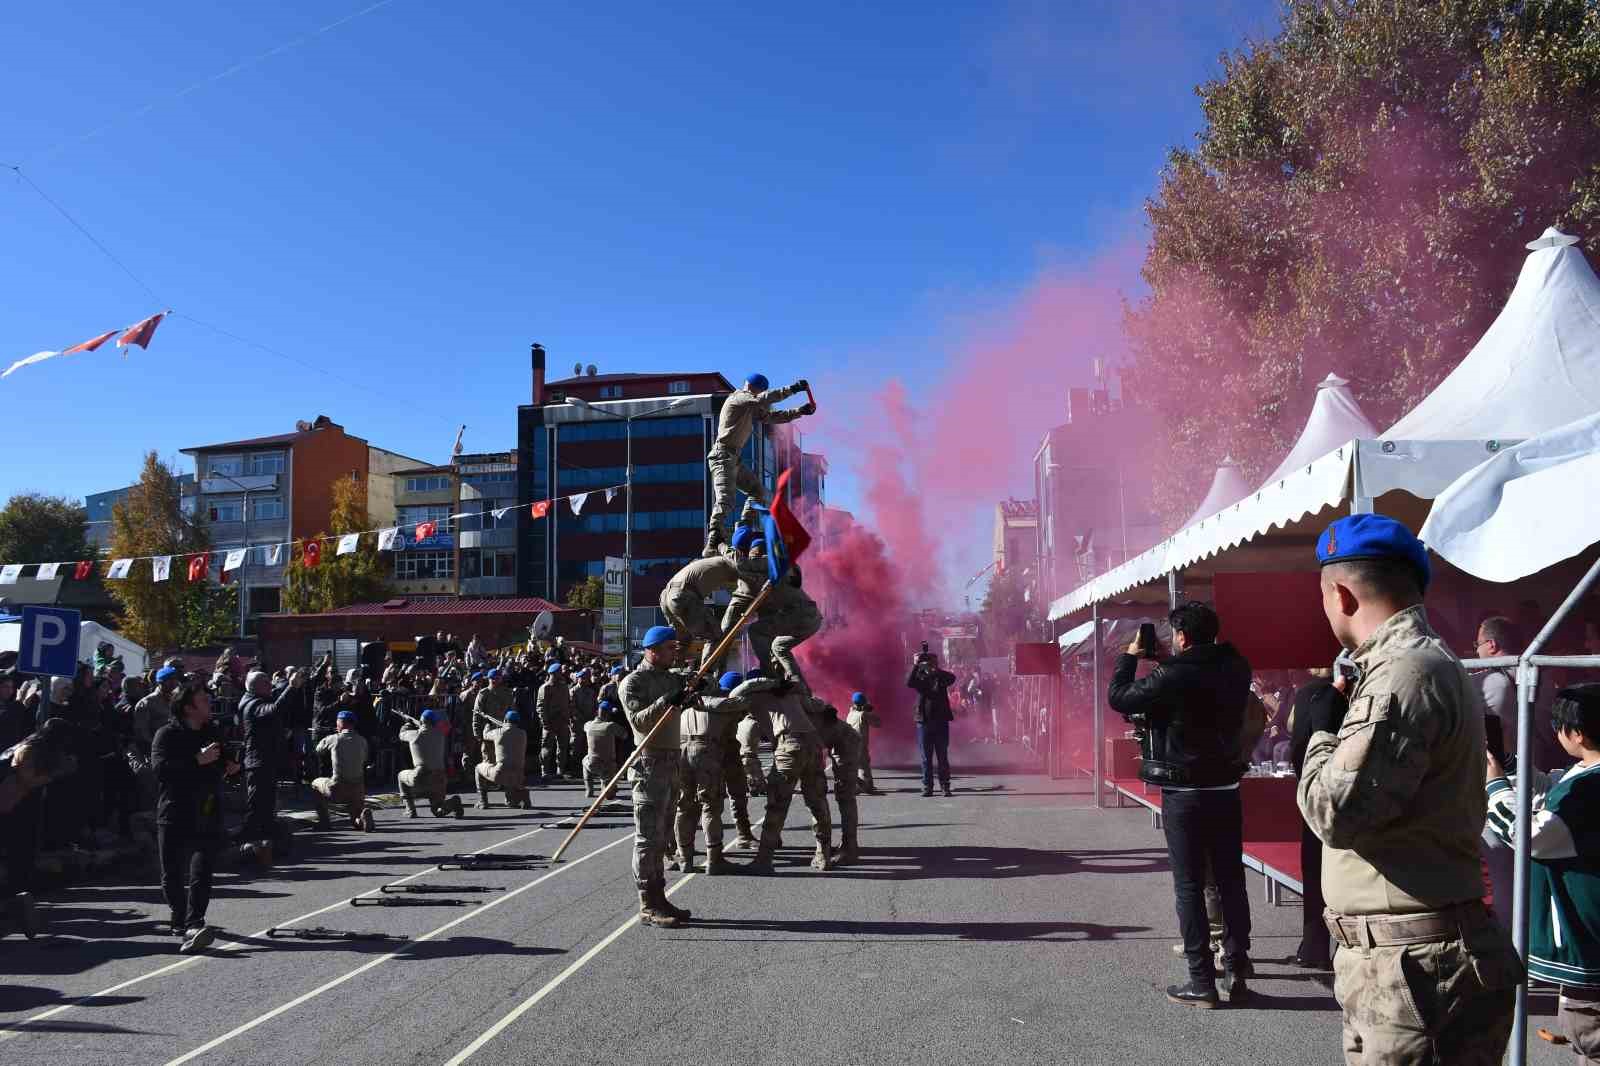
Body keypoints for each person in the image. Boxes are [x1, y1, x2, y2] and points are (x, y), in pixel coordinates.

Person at [1299, 513, 1522, 1062]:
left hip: (1412, 967)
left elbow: (1335, 812)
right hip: (1412, 958)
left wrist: (1318, 732)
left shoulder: (1404, 675)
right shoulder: (1419, 665)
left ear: (1341, 594)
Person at [1109, 601, 1254, 1008]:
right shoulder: (1236, 667)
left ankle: (1201, 980)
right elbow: (1199, 679)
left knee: (1189, 885)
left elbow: (1120, 697)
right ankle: (1238, 966)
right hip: (1225, 788)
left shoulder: (1172, 674)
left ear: (1183, 636)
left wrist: (1129, 656)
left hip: (1184, 791)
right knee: (1231, 880)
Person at [1486, 682, 1600, 1061]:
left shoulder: (1588, 790)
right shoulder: (1586, 775)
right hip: (1589, 932)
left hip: (1586, 939)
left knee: (1588, 1031)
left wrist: (1495, 788)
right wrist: (1511, 767)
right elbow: (1552, 788)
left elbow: (1530, 834)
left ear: (1577, 733)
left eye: (1559, 726)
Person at [152, 684, 239, 954]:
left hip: (207, 810)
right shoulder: (167, 735)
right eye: (203, 700)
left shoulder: (211, 732)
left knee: (202, 869)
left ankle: (194, 921)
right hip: (175, 810)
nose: (209, 703)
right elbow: (160, 770)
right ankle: (180, 919)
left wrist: (233, 767)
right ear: (189, 707)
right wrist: (196, 761)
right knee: (173, 873)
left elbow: (225, 762)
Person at [618, 626, 694, 928]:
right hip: (649, 763)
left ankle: (660, 896)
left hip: (672, 761)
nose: (674, 652)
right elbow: (638, 720)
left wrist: (692, 689)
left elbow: (705, 687)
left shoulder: (670, 677)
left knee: (663, 835)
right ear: (651, 649)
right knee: (648, 838)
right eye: (668, 648)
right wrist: (668, 701)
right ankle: (647, 903)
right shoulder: (633, 682)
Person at [703, 373, 814, 555]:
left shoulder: (751, 405)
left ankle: (744, 525)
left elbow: (770, 417)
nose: (760, 395)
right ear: (752, 387)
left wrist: (799, 411)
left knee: (758, 492)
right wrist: (792, 389)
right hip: (722, 456)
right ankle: (713, 538)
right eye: (759, 391)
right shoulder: (739, 397)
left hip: (734, 459)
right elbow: (762, 399)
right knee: (725, 499)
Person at [1285, 667, 1347, 970]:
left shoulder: (1310, 694)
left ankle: (1315, 946)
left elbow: (1299, 750)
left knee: (1316, 873)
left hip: (1319, 795)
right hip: (1360, 796)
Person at [237, 667, 305, 844]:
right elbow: (275, 709)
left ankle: (266, 841)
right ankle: (245, 843)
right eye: (267, 683)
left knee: (266, 805)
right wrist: (291, 687)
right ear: (256, 686)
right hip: (258, 763)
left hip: (265, 761)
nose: (271, 685)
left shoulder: (256, 698)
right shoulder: (252, 705)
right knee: (257, 805)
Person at [747, 566, 822, 687]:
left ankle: (770, 676)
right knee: (778, 646)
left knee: (754, 631)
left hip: (799, 614)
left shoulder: (772, 566)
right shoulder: (782, 570)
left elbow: (743, 564)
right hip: (813, 618)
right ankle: (799, 685)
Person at [906, 649, 956, 797]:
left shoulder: (941, 677)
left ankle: (945, 786)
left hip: (940, 722)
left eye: (931, 662)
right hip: (924, 722)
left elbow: (952, 678)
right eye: (925, 662)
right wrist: (916, 665)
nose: (927, 664)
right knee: (926, 757)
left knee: (942, 756)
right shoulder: (919, 677)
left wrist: (936, 670)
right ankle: (927, 786)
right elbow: (909, 682)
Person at [397, 710, 465, 819]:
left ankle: (410, 810)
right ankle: (452, 802)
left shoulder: (415, 735)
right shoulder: (441, 735)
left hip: (422, 777)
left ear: (422, 721)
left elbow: (401, 735)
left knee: (401, 776)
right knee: (437, 811)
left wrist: (407, 723)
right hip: (440, 779)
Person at [312, 711, 373, 831]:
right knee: (355, 820)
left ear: (340, 722)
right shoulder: (363, 741)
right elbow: (365, 759)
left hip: (338, 788)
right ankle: (361, 819)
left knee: (315, 784)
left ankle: (324, 821)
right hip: (358, 789)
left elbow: (317, 750)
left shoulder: (334, 739)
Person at [474, 708, 529, 810]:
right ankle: (521, 795)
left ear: (505, 720)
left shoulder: (498, 732)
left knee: (478, 768)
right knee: (511, 803)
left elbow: (485, 735)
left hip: (501, 773)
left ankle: (483, 801)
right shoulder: (523, 734)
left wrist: (488, 724)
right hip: (519, 776)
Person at [536, 663, 572, 780]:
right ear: (553, 674)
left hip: (562, 721)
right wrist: (545, 722)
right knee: (547, 747)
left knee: (562, 747)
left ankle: (560, 770)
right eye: (558, 673)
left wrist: (568, 717)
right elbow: (540, 707)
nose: (561, 675)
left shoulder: (564, 686)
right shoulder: (545, 688)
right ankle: (544, 770)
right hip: (550, 722)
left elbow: (567, 703)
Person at [582, 700, 625, 798]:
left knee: (584, 761)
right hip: (608, 766)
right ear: (608, 714)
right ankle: (606, 786)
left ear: (597, 712)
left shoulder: (588, 725)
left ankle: (589, 790)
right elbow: (624, 735)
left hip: (592, 764)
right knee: (608, 795)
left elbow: (585, 728)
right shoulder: (611, 726)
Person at [845, 692, 883, 795]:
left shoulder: (851, 712)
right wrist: (870, 712)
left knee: (862, 765)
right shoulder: (863, 714)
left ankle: (867, 785)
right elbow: (878, 723)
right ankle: (861, 786)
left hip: (850, 743)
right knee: (862, 765)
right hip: (859, 744)